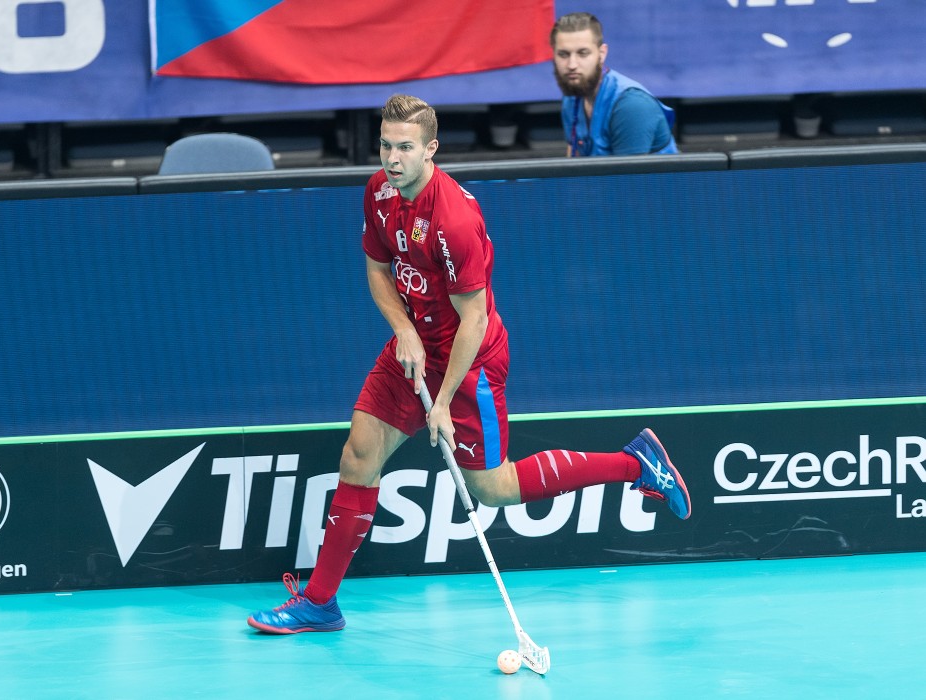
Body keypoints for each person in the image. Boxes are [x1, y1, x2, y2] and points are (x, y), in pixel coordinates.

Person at [246, 94, 691, 634]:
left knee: (494, 489)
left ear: (431, 149)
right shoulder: (379, 192)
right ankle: (320, 602)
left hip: (470, 362)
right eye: (385, 145)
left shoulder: (453, 218)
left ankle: (635, 464)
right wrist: (404, 330)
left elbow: (474, 321)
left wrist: (440, 402)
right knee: (358, 456)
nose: (391, 158)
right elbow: (378, 269)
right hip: (414, 349)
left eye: (405, 147)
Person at [551, 12, 678, 156]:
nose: (572, 65)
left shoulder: (631, 105)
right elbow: (573, 157)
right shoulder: (572, 96)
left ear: (602, 54)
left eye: (583, 53)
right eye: (563, 54)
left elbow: (626, 177)